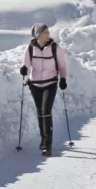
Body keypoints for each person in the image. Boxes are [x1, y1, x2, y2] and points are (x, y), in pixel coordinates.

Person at [22, 24, 67, 156]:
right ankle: (43, 139)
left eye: (48, 32)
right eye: (45, 32)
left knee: (46, 110)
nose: (48, 34)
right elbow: (26, 64)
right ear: (38, 34)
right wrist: (24, 69)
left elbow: (62, 66)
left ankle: (48, 143)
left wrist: (63, 79)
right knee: (40, 112)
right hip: (34, 84)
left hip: (50, 83)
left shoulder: (55, 48)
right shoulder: (30, 49)